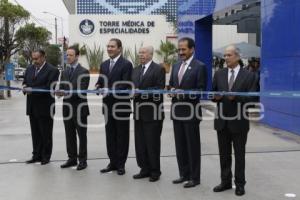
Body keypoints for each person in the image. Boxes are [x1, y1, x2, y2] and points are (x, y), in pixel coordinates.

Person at [212, 45, 257, 196]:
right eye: (224, 55)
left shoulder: (249, 76)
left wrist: (236, 97)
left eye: (229, 55)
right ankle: (225, 182)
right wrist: (215, 97)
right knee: (224, 155)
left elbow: (253, 99)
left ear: (237, 57)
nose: (225, 58)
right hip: (221, 121)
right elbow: (213, 93)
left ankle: (240, 184)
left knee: (239, 155)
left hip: (239, 122)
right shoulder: (219, 74)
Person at [169, 37, 207, 188]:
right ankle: (183, 174)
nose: (181, 52)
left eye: (184, 49)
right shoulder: (176, 65)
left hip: (191, 113)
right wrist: (171, 90)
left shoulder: (200, 66)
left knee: (192, 146)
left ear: (192, 49)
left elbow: (201, 90)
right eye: (179, 49)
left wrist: (182, 93)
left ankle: (194, 177)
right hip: (177, 111)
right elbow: (172, 84)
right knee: (180, 146)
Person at [95, 38, 133, 175]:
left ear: (119, 49)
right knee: (110, 136)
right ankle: (112, 162)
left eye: (112, 46)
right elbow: (100, 81)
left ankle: (121, 164)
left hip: (121, 107)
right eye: (108, 46)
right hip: (107, 107)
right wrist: (98, 86)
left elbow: (125, 85)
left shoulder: (126, 64)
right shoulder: (104, 64)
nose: (109, 49)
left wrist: (107, 89)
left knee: (122, 136)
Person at [131, 46, 165, 182]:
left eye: (143, 53)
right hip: (138, 112)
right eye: (139, 53)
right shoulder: (135, 70)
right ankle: (144, 169)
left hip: (153, 113)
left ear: (151, 54)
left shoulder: (158, 69)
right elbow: (131, 87)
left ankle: (155, 171)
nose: (141, 55)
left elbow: (159, 88)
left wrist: (142, 91)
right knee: (140, 144)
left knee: (152, 144)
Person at [23, 49, 59, 165]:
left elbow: (49, 87)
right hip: (32, 106)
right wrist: (24, 86)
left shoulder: (53, 70)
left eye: (37, 58)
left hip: (45, 107)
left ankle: (45, 156)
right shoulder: (29, 69)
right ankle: (36, 155)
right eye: (33, 58)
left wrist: (32, 90)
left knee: (46, 133)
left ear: (43, 57)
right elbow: (25, 82)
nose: (35, 61)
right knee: (35, 133)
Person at [58, 46, 90, 171]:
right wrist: (59, 92)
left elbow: (82, 90)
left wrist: (65, 92)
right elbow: (61, 86)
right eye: (67, 55)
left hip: (79, 108)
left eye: (70, 55)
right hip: (67, 108)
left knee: (82, 135)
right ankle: (71, 158)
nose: (68, 57)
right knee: (69, 135)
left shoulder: (84, 72)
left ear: (77, 56)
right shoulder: (64, 72)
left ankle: (82, 160)